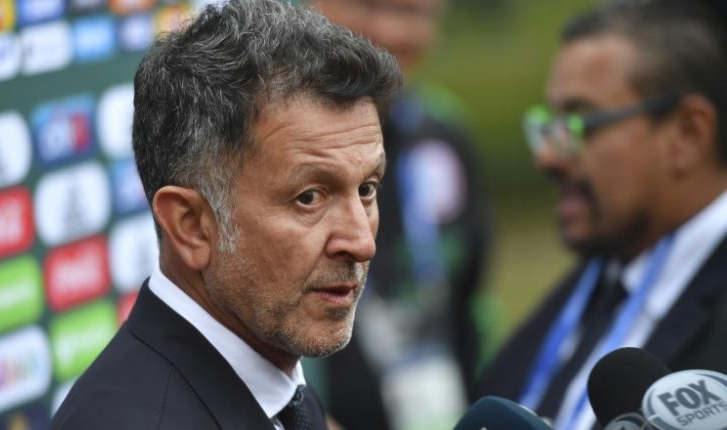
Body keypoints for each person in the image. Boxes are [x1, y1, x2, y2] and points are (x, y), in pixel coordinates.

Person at [49, 0, 401, 428]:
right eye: (309, 197)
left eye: (366, 189)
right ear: (192, 226)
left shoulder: (274, 380)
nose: (362, 242)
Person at [475, 1, 727, 429]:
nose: (548, 157)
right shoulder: (593, 285)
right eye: (548, 124)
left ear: (688, 133)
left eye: (580, 122)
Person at [308, 1, 492, 429]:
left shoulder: (442, 134)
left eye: (415, 13)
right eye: (371, 5)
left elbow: (469, 304)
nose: (392, 31)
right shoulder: (268, 141)